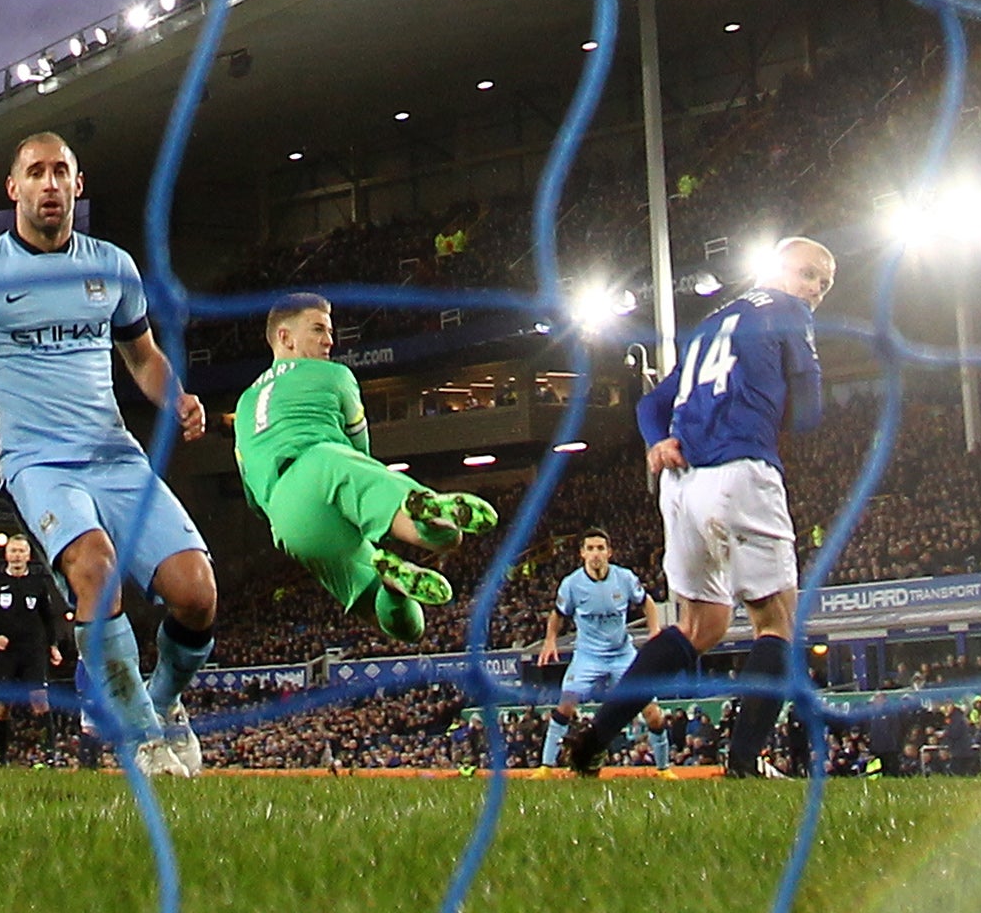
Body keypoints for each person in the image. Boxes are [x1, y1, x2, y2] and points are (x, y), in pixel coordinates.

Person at [0, 131, 217, 777]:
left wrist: (176, 398)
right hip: (37, 464)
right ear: (13, 188)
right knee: (94, 565)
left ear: (78, 187)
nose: (49, 184)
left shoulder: (110, 267)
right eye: (36, 172)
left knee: (197, 594)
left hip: (115, 456)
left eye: (61, 172)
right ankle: (140, 741)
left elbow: (142, 357)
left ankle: (157, 708)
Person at [563, 235, 835, 778]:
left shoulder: (712, 323)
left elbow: (651, 404)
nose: (815, 291)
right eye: (808, 275)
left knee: (700, 625)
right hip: (741, 472)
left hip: (682, 484)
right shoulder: (787, 313)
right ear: (777, 271)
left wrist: (654, 440)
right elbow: (807, 410)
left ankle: (593, 740)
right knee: (775, 622)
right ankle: (743, 763)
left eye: (823, 283)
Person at [232, 293, 496, 643]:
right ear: (285, 337)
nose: (330, 340)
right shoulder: (334, 375)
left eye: (329, 331)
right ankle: (428, 520)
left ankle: (395, 587)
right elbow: (361, 453)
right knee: (444, 532)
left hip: (288, 524)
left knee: (395, 622)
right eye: (318, 330)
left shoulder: (243, 404)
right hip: (322, 469)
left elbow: (251, 497)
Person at [537, 528, 668, 772]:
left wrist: (654, 631)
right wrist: (550, 640)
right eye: (590, 549)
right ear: (582, 554)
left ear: (609, 552)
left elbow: (646, 602)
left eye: (600, 548)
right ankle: (546, 767)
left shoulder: (625, 578)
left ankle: (664, 769)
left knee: (652, 712)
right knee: (565, 705)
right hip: (588, 656)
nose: (595, 554)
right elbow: (558, 613)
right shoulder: (572, 584)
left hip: (622, 654)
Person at [0, 533, 67, 767]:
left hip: (32, 651)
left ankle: (49, 755)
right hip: (4, 654)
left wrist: (53, 646)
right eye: (13, 551)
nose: (17, 555)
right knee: (3, 705)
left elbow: (48, 618)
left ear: (28, 556)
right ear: (6, 554)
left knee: (40, 701)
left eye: (21, 551)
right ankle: (1, 758)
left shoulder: (37, 584)